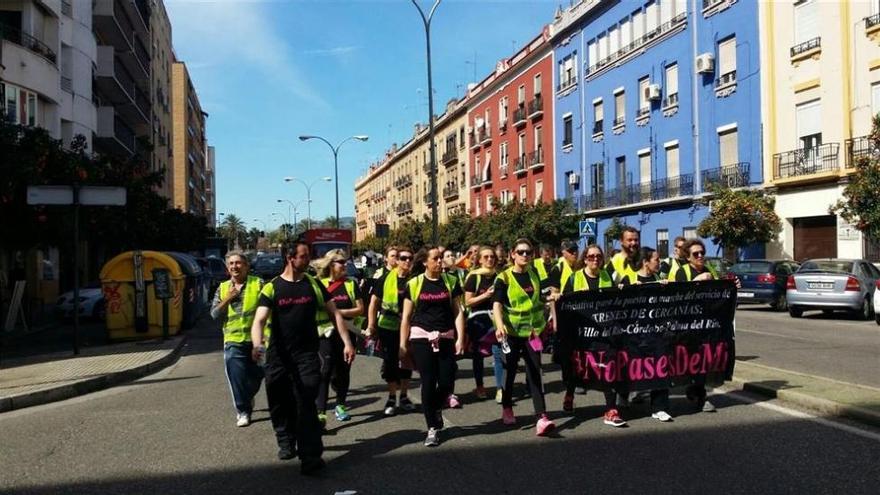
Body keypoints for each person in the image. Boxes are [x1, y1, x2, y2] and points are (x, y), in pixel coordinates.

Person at [249, 242, 355, 475]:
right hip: (279, 356)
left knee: (306, 403)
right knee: (280, 402)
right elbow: (259, 321)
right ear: (290, 258)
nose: (308, 260)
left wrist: (347, 342)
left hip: (307, 355)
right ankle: (285, 439)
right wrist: (257, 345)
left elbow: (335, 313)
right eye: (304, 256)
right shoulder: (272, 287)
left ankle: (311, 457)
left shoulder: (314, 285)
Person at [399, 247, 466, 447]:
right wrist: (403, 345)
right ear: (425, 262)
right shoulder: (415, 284)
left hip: (445, 336)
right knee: (428, 381)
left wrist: (460, 337)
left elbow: (458, 312)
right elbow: (406, 318)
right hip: (421, 338)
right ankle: (432, 427)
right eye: (435, 259)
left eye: (440, 259)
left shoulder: (451, 282)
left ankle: (435, 407)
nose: (440, 262)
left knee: (447, 380)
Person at [555, 245, 626, 427]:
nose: (595, 259)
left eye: (599, 257)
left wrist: (619, 290)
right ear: (585, 259)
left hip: (602, 333)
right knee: (576, 367)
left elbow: (615, 302)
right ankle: (570, 394)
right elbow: (564, 304)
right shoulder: (574, 278)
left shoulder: (607, 277)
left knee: (608, 367)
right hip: (580, 334)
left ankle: (611, 409)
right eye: (591, 256)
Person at [492, 238, 556, 436]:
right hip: (510, 333)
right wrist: (500, 325)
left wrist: (551, 298)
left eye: (528, 252)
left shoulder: (534, 273)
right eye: (521, 252)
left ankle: (541, 417)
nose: (525, 256)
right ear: (512, 254)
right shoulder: (503, 278)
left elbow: (536, 299)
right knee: (510, 371)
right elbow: (497, 304)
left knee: (535, 371)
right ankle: (507, 406)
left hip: (531, 333)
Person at [673, 238, 740, 413]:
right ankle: (693, 390)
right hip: (688, 326)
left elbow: (719, 294)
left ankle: (699, 394)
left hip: (707, 326)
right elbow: (680, 297)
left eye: (702, 253)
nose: (700, 256)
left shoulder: (710, 269)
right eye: (696, 254)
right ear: (688, 257)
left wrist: (732, 287)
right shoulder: (682, 272)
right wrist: (698, 280)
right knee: (690, 361)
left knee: (703, 361)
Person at [210, 251, 266, 428]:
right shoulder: (223, 287)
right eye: (231, 264)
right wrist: (228, 298)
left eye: (239, 263)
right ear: (228, 268)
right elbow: (214, 314)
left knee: (258, 375)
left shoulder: (259, 283)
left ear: (247, 266)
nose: (235, 266)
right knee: (237, 377)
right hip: (233, 341)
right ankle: (243, 410)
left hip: (257, 340)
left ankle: (247, 397)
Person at [620, 246, 672, 422]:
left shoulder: (659, 279)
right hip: (633, 334)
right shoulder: (629, 278)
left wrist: (666, 290)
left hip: (655, 333)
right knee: (629, 367)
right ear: (645, 262)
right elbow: (618, 305)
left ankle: (659, 407)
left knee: (661, 366)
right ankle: (623, 395)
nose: (659, 262)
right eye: (656, 259)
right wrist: (626, 290)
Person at [315, 249, 365, 426]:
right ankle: (320, 411)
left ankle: (340, 404)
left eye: (346, 262)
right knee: (325, 370)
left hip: (348, 332)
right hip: (325, 333)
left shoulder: (351, 284)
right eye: (341, 262)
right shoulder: (318, 284)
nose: (345, 265)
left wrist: (338, 312)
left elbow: (360, 309)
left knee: (342, 371)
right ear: (331, 265)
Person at [366, 246, 416, 416]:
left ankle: (404, 396)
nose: (406, 261)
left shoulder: (416, 280)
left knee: (406, 360)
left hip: (410, 326)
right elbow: (373, 303)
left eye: (410, 258)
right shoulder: (385, 279)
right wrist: (371, 325)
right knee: (390, 363)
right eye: (403, 258)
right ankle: (391, 396)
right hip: (388, 326)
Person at [463, 246, 504, 402]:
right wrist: (486, 295)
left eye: (492, 257)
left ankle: (500, 388)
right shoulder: (474, 277)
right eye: (486, 257)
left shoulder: (500, 276)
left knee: (499, 354)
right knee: (478, 356)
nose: (489, 259)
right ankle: (480, 386)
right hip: (478, 320)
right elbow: (468, 302)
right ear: (479, 260)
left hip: (496, 319)